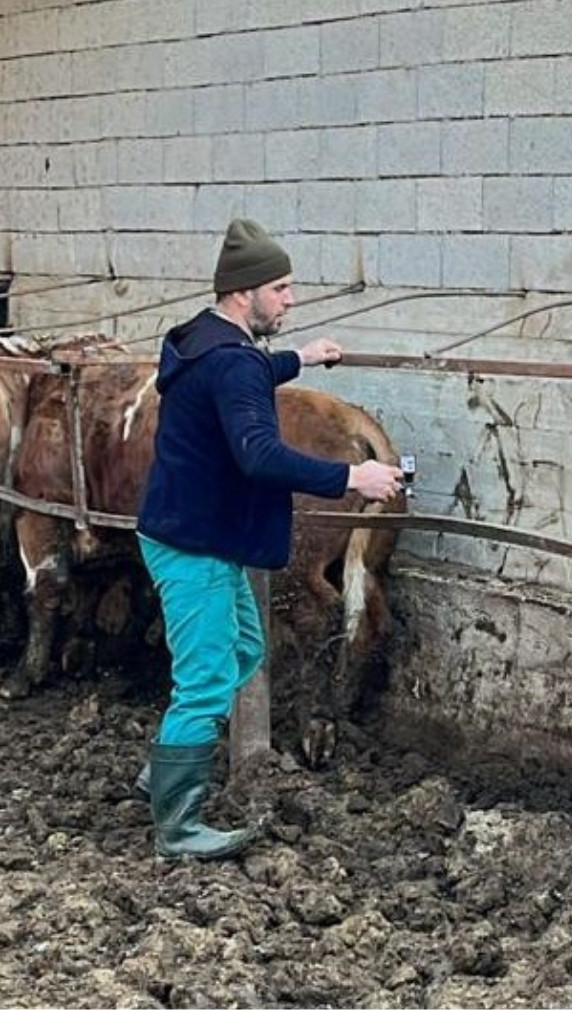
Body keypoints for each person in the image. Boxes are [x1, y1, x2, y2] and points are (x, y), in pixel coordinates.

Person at [136, 218, 401, 860]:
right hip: (195, 545)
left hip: (198, 532)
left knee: (246, 651)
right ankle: (177, 825)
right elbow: (257, 453)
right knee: (204, 679)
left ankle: (165, 765)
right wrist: (351, 474)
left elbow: (244, 371)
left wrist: (300, 358)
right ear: (243, 294)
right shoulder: (231, 364)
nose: (290, 299)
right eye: (280, 288)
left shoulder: (201, 340)